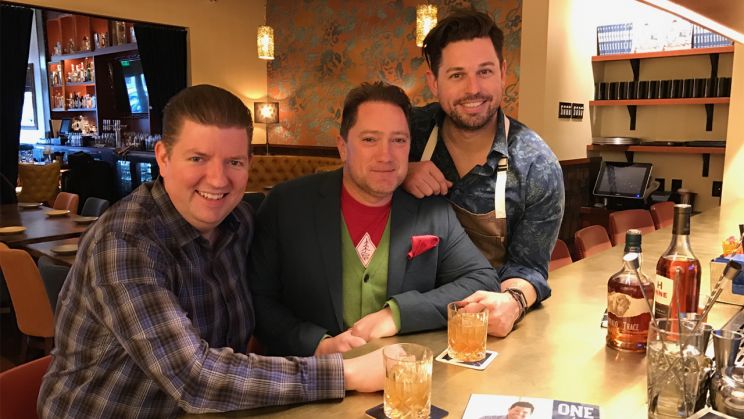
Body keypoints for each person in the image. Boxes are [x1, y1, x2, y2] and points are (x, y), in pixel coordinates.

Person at [37, 85, 383, 418]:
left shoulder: (241, 222)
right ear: (163, 157)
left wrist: (397, 178)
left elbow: (284, 285)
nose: (218, 180)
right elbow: (195, 379)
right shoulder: (125, 242)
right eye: (197, 158)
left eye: (234, 162)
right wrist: (346, 373)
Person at [249, 81, 500, 357]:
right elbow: (258, 299)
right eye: (370, 139)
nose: (386, 156)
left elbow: (482, 279)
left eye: (398, 140)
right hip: (308, 373)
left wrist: (397, 314)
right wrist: (317, 345)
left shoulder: (432, 210)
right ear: (343, 147)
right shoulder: (286, 204)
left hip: (400, 372)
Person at [405, 9, 565, 337]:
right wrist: (398, 172)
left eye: (485, 71)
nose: (473, 88)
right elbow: (353, 178)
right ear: (433, 82)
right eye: (457, 75)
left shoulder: (536, 166)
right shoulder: (406, 134)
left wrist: (513, 301)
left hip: (480, 329)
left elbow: (529, 268)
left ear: (503, 73)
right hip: (399, 318)